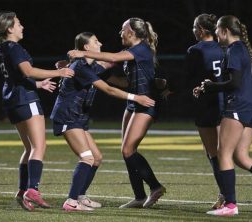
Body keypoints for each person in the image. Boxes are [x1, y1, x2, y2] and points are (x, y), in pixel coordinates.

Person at [0, 11, 74, 211]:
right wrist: (59, 72)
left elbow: (18, 77)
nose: (22, 27)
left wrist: (38, 85)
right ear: (10, 28)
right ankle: (32, 190)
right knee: (39, 147)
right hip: (25, 100)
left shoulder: (4, 48)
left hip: (13, 101)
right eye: (19, 24)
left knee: (29, 148)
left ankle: (23, 191)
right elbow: (27, 71)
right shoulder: (13, 47)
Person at [50, 32, 155, 212]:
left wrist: (137, 54)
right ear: (86, 48)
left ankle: (81, 197)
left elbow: (110, 61)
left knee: (96, 158)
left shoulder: (90, 66)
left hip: (79, 117)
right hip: (67, 116)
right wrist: (136, 97)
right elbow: (108, 89)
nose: (100, 43)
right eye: (95, 41)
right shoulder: (81, 67)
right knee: (87, 158)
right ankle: (71, 201)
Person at [68, 17, 166, 209]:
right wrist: (73, 66)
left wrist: (82, 52)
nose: (120, 33)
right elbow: (122, 81)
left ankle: (155, 187)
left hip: (145, 103)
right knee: (127, 152)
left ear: (132, 32)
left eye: (123, 30)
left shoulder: (141, 49)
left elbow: (111, 58)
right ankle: (139, 196)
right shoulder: (129, 52)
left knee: (128, 150)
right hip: (133, 103)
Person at [194, 15, 252, 216]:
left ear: (225, 31)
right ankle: (230, 203)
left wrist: (211, 87)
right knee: (242, 157)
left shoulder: (235, 49)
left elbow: (234, 83)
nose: (216, 33)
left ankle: (230, 205)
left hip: (238, 106)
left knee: (223, 154)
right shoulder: (243, 48)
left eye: (218, 29)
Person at [187, 14, 225, 209]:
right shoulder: (224, 47)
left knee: (214, 154)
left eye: (195, 27)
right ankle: (226, 194)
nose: (193, 30)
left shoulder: (195, 50)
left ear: (202, 30)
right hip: (225, 102)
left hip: (207, 104)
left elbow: (192, 78)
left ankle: (225, 195)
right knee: (220, 151)